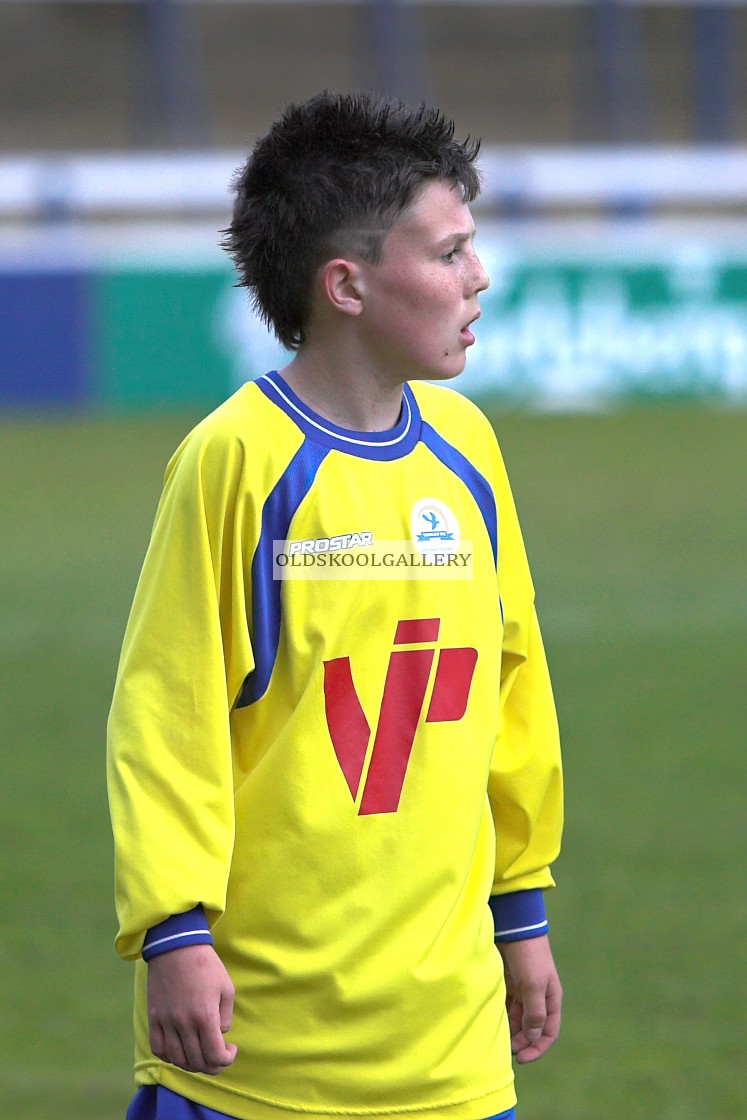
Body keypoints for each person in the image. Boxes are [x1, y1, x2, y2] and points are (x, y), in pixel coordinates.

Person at [107, 90, 563, 1120]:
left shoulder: (469, 451)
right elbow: (167, 713)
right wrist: (174, 932)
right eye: (449, 253)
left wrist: (522, 912)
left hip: (448, 1049)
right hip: (257, 1053)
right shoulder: (236, 462)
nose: (478, 276)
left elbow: (512, 688)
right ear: (347, 284)